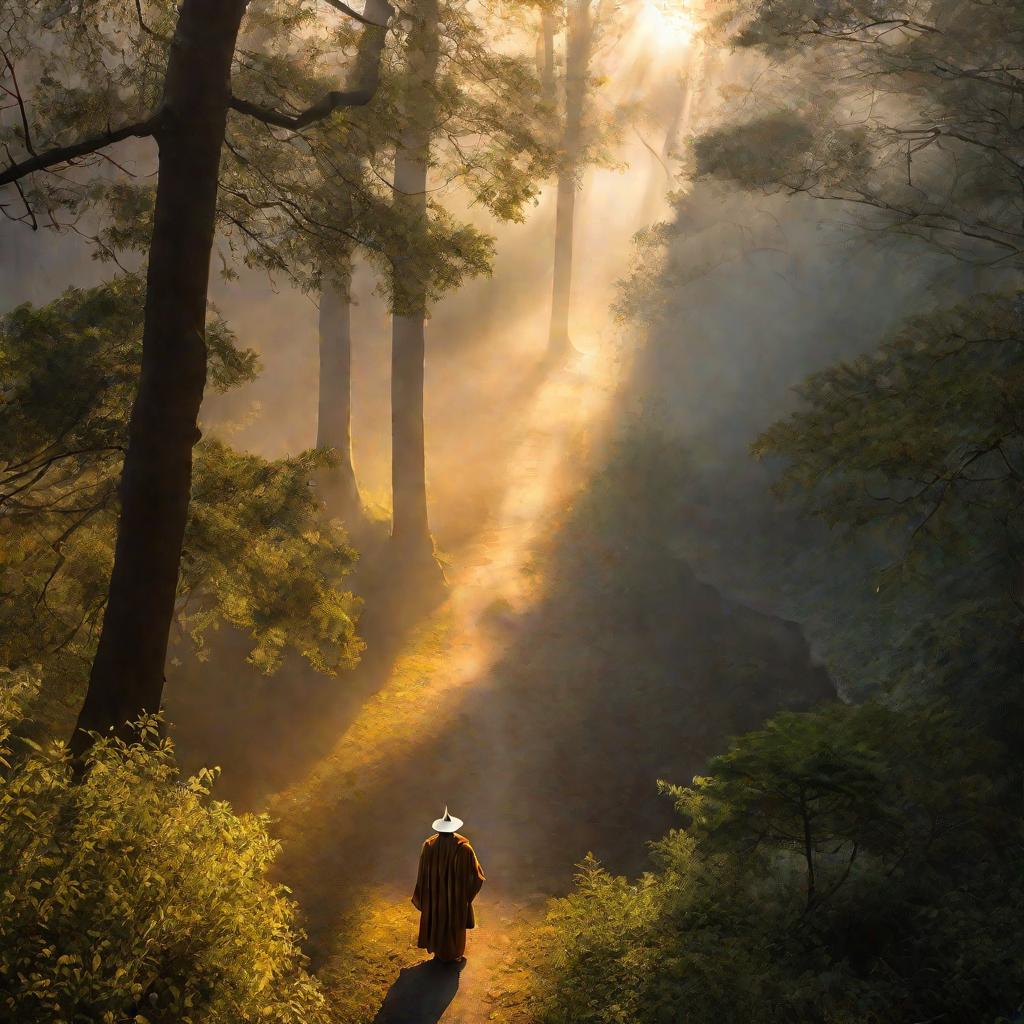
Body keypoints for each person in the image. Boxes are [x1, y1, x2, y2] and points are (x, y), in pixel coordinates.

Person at [412, 807, 485, 963]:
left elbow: (422, 874)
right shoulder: (464, 849)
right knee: (453, 922)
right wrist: (466, 895)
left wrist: (426, 894)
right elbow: (478, 876)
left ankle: (438, 951)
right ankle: (454, 954)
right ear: (454, 829)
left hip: (435, 896)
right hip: (455, 897)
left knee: (436, 918)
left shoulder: (428, 846)